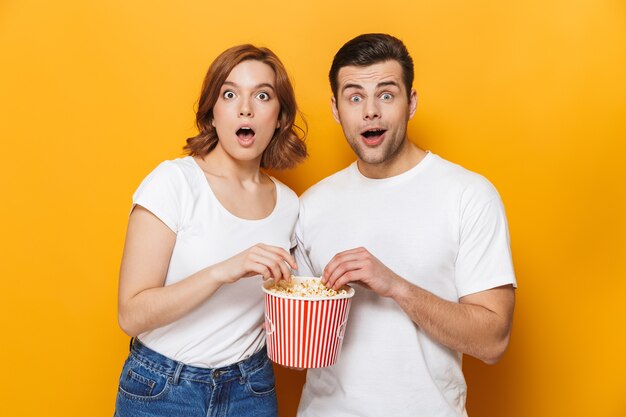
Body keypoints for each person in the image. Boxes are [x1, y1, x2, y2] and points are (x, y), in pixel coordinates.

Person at [294, 33, 517, 417]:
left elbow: (493, 341)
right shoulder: (310, 205)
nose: (370, 112)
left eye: (386, 94)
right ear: (336, 109)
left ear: (410, 102)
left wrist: (395, 286)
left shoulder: (468, 195)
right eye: (354, 97)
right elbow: (296, 336)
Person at [114, 44, 307, 417]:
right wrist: (224, 271)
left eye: (262, 95)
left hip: (252, 389)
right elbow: (131, 315)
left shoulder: (289, 206)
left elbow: (283, 307)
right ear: (212, 113)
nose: (245, 108)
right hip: (163, 390)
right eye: (230, 94)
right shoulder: (174, 183)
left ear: (280, 116)